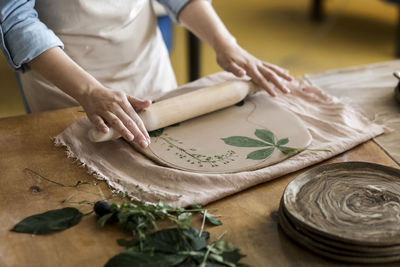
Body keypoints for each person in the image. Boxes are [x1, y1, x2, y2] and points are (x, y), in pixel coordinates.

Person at [0, 0, 293, 149]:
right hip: (66, 83)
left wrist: (225, 44)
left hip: (146, 65)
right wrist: (89, 91)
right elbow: (14, 18)